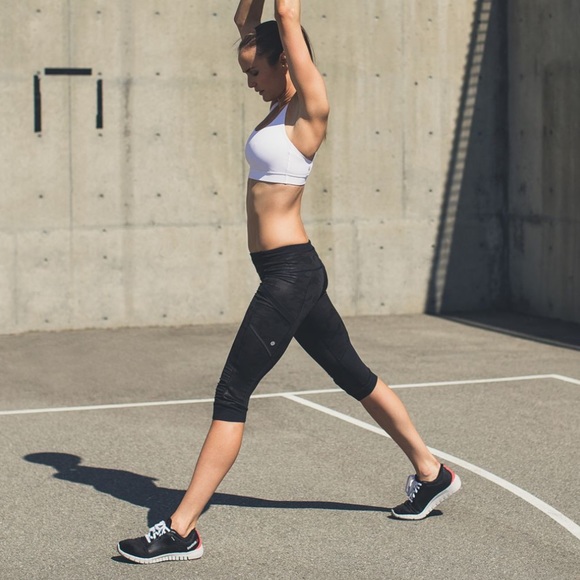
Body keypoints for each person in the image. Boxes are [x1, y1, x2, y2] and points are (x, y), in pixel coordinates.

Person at [117, 0, 461, 564]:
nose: (249, 81)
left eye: (255, 71)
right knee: (355, 376)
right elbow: (245, 22)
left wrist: (283, 17)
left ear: (285, 62)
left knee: (232, 393)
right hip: (290, 273)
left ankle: (182, 528)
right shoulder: (279, 106)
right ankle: (431, 472)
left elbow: (286, 16)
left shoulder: (310, 107)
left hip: (289, 275)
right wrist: (254, 25)